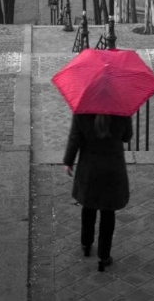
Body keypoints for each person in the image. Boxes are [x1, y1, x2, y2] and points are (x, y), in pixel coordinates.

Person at [63, 113, 133, 272]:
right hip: (112, 170)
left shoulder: (82, 111)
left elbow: (75, 138)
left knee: (88, 206)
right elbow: (127, 137)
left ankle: (86, 244)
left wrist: (68, 161)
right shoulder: (121, 111)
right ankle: (104, 256)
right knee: (108, 213)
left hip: (89, 169)